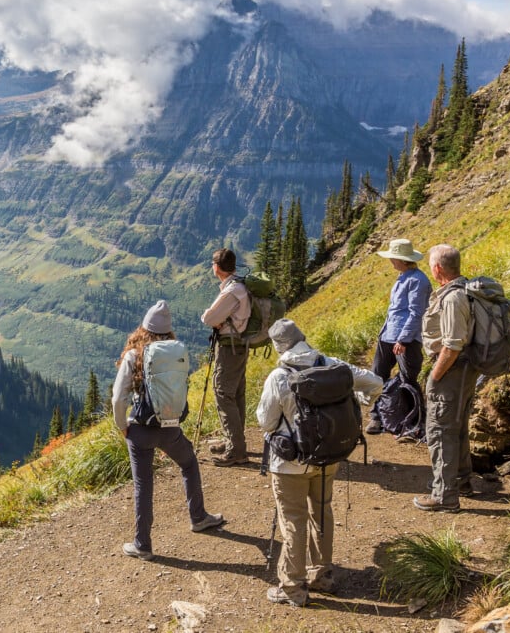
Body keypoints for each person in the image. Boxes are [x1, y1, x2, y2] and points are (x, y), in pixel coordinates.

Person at [257, 319, 383, 606]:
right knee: (321, 511)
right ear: (303, 337)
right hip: (329, 456)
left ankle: (293, 587)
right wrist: (363, 401)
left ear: (278, 346)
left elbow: (265, 421)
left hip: (290, 463)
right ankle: (322, 574)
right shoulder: (333, 366)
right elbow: (376, 383)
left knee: (293, 519)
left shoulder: (279, 377)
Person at [111, 300, 226, 560]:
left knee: (143, 484)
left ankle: (143, 545)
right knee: (188, 464)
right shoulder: (176, 352)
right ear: (168, 330)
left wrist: (123, 426)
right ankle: (198, 517)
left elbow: (118, 398)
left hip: (140, 429)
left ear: (144, 328)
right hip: (170, 426)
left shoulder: (133, 355)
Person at [414, 244, 479, 512]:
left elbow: (452, 344)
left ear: (438, 268)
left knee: (440, 429)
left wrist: (435, 376)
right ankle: (462, 481)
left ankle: (444, 495)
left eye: (430, 263)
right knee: (457, 425)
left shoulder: (453, 298)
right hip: (464, 369)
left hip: (452, 368)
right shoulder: (464, 291)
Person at [366, 238, 431, 438]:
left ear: (402, 260)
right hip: (388, 334)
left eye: (393, 258)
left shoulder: (418, 281)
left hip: (406, 338)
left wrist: (402, 340)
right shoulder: (403, 276)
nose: (391, 261)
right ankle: (377, 416)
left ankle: (413, 423)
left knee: (408, 379)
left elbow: (416, 313)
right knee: (378, 375)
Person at [199, 248, 252, 466]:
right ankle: (234, 440)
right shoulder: (239, 285)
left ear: (217, 267)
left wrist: (214, 319)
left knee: (223, 393)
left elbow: (209, 317)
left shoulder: (232, 291)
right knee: (236, 393)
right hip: (240, 345)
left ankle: (236, 451)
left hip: (230, 347)